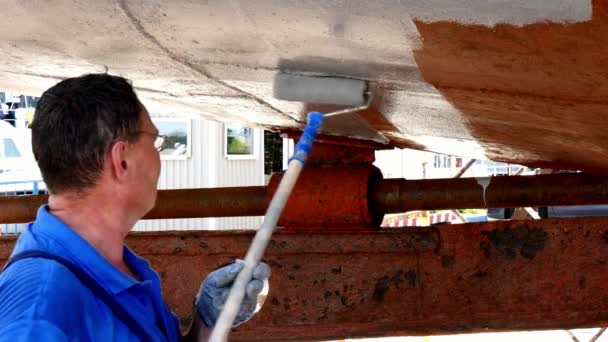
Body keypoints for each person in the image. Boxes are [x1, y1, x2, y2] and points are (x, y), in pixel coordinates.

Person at [0, 74, 270, 341]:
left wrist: (207, 325)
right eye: (154, 142)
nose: (158, 156)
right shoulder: (38, 312)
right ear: (122, 160)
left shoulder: (117, 266)